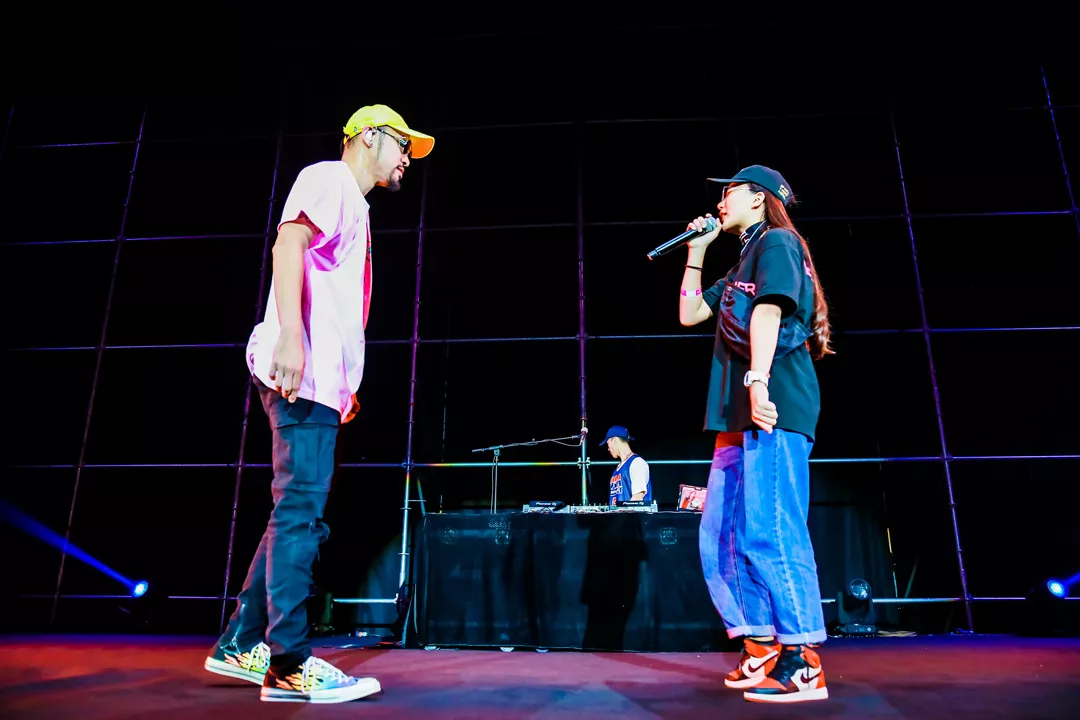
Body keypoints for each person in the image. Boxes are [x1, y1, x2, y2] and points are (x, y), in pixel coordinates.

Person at [203, 104, 434, 704]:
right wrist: (290, 336)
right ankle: (288, 664)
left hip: (319, 381)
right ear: (369, 137)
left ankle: (239, 644)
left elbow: (335, 302)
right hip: (298, 371)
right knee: (299, 514)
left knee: (295, 510)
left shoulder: (353, 203)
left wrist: (342, 383)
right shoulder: (330, 178)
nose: (407, 158)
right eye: (402, 144)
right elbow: (289, 244)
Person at [679, 165, 833, 704]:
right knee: (721, 535)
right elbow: (690, 312)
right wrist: (697, 250)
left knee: (772, 529)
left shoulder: (778, 243)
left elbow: (769, 310)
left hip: (772, 403)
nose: (721, 201)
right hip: (734, 418)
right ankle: (761, 644)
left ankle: (803, 659)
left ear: (759, 198)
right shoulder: (740, 261)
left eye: (730, 192)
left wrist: (758, 380)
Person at [601, 426, 651, 505]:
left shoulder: (637, 463)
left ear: (614, 440)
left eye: (608, 444)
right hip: (618, 513)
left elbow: (637, 498)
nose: (608, 448)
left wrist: (625, 512)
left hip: (631, 513)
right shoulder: (618, 468)